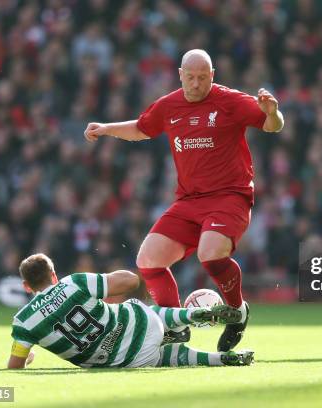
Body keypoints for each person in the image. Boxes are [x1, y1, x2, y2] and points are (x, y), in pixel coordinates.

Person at [84, 49, 284, 351]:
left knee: (210, 254)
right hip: (189, 201)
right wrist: (106, 129)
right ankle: (176, 327)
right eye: (190, 77)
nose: (195, 83)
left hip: (230, 197)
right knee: (148, 260)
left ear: (212, 75)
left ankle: (237, 312)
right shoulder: (169, 105)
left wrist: (272, 112)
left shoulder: (230, 100)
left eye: (202, 78)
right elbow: (141, 129)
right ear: (180, 75)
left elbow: (273, 126)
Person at [7, 253, 254, 369]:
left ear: (26, 287)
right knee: (147, 312)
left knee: (165, 358)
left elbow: (14, 367)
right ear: (53, 275)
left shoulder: (23, 323)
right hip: (141, 324)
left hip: (124, 362)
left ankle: (219, 359)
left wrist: (26, 360)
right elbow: (130, 281)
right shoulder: (73, 283)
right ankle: (191, 314)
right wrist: (104, 281)